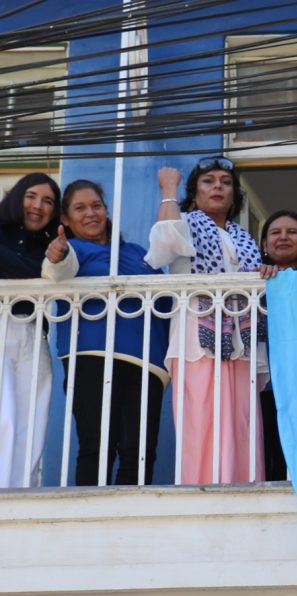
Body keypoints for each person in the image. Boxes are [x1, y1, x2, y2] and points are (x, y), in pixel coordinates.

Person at [147, 156, 266, 484]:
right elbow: (165, 243)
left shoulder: (243, 237)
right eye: (208, 181)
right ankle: (203, 491)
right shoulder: (185, 221)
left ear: (234, 195)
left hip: (241, 344)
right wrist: (169, 188)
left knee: (242, 425)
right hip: (197, 342)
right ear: (195, 193)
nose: (218, 187)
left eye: (225, 183)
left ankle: (244, 493)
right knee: (202, 422)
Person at [42, 180, 168, 485]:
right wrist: (56, 254)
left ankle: (131, 524)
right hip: (93, 356)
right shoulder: (73, 249)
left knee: (139, 452)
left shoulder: (137, 252)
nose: (90, 214)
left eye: (96, 206)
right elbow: (57, 271)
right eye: (80, 208)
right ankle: (88, 522)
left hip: (146, 362)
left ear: (106, 210)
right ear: (65, 218)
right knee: (96, 447)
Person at [0, 173, 60, 488]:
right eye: (31, 196)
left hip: (34, 331)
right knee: (4, 416)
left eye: (48, 201)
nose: (38, 206)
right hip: (2, 322)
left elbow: (56, 275)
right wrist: (36, 273)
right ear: (16, 195)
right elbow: (40, 276)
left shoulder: (54, 246)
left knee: (32, 418)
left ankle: (20, 493)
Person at [257, 210, 297, 480]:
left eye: (292, 232)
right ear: (264, 244)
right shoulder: (252, 280)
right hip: (267, 377)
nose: (283, 237)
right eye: (275, 232)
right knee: (270, 447)